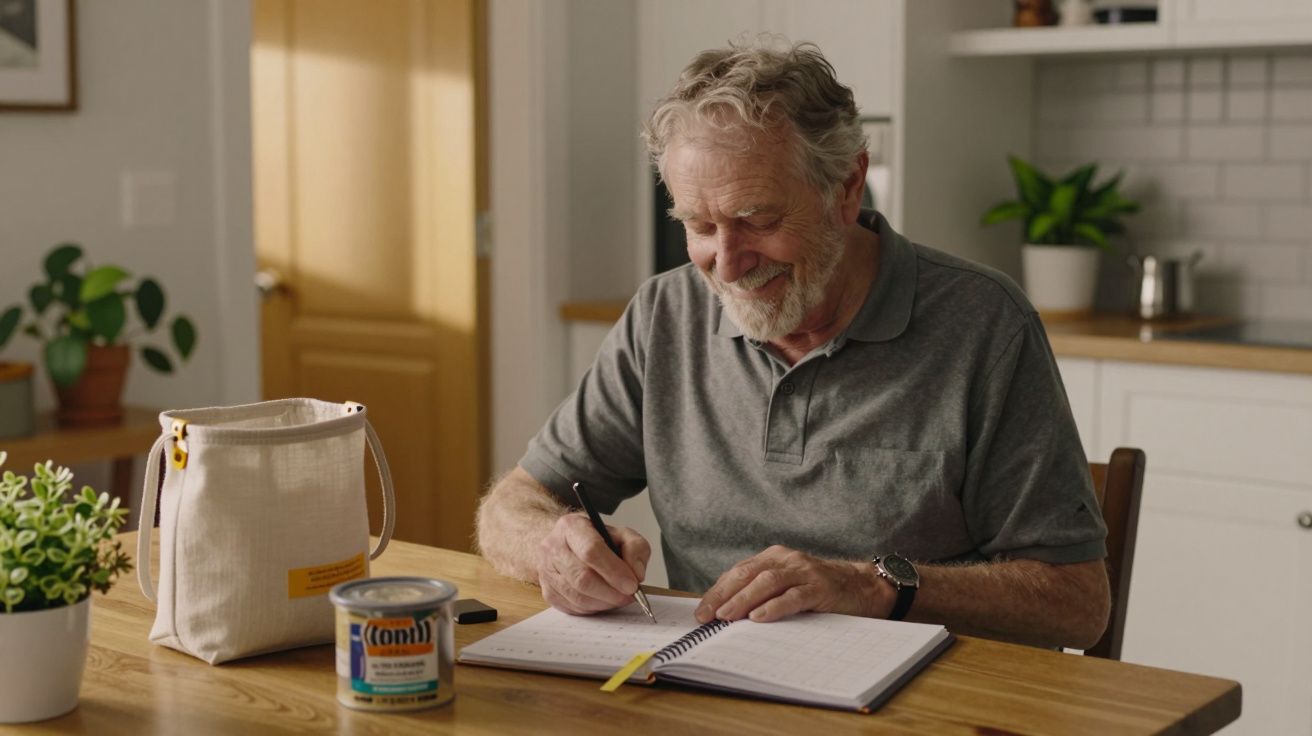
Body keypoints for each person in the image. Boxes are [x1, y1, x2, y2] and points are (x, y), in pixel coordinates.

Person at [476, 40, 1110, 650]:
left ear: (848, 186)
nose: (725, 264)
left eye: (758, 220)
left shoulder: (983, 324)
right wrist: (553, 548)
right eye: (699, 226)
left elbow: (1078, 604)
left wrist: (874, 585)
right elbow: (512, 507)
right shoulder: (664, 314)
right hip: (706, 683)